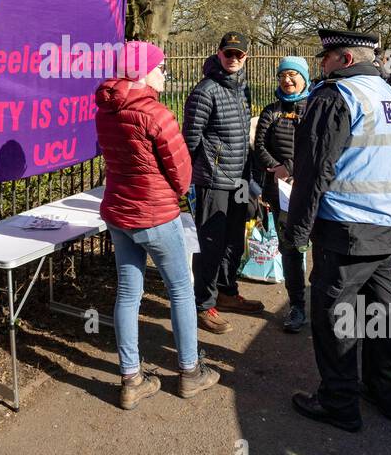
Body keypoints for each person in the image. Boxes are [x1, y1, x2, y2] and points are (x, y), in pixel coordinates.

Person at [286, 28, 391, 432]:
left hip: (347, 227)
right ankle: (386, 392)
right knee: (383, 313)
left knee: (336, 315)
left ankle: (339, 401)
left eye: (325, 58)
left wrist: (297, 232)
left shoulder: (336, 96)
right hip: (390, 223)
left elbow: (313, 170)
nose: (320, 65)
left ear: (342, 58)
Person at [96, 42, 220, 409]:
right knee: (180, 289)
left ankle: (131, 379)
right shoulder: (156, 113)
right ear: (142, 71)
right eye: (160, 66)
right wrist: (177, 194)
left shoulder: (104, 111)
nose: (165, 72)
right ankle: (189, 372)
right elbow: (182, 170)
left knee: (127, 292)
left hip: (119, 213)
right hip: (156, 214)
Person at [183, 30, 265, 335]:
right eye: (228, 53)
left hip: (240, 179)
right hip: (213, 180)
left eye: (239, 54)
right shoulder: (205, 91)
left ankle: (227, 292)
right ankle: (203, 303)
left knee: (234, 241)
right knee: (210, 244)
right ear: (219, 54)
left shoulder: (242, 89)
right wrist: (190, 178)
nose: (233, 59)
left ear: (246, 58)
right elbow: (190, 138)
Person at [254, 56, 312, 332]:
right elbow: (260, 145)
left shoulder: (315, 107)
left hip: (311, 187)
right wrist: (277, 168)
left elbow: (322, 145)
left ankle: (326, 303)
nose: (286, 80)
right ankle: (297, 305)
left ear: (304, 77)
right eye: (282, 76)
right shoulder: (271, 110)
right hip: (281, 190)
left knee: (321, 246)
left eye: (292, 75)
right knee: (290, 247)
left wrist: (297, 169)